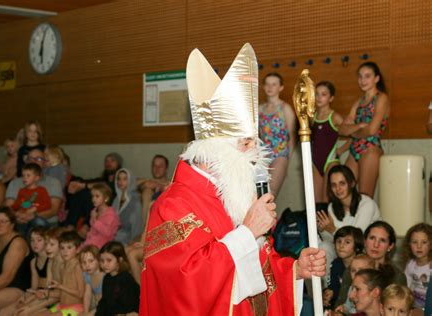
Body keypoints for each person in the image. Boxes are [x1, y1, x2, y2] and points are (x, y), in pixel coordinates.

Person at [140, 43, 326, 315]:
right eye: (245, 144)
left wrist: (295, 270)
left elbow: (259, 264)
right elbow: (185, 284)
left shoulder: (235, 196)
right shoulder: (172, 206)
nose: (255, 155)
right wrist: (248, 232)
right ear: (215, 148)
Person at [339, 62, 390, 198]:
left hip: (370, 149)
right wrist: (359, 125)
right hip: (354, 150)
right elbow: (342, 130)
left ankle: (368, 220)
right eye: (360, 77)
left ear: (376, 79)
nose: (363, 80)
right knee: (343, 193)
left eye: (367, 76)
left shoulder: (381, 98)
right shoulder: (359, 102)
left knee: (365, 197)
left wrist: (354, 132)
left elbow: (372, 130)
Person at [335, 221, 407, 310]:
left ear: (390, 246)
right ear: (365, 241)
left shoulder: (397, 276)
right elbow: (340, 304)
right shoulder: (353, 269)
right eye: (372, 238)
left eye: (382, 240)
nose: (376, 245)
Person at [317, 165, 382, 243]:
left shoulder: (367, 204)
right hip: (342, 251)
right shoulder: (331, 207)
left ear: (352, 183)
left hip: (364, 251)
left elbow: (356, 240)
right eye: (334, 185)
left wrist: (332, 229)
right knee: (324, 247)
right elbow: (332, 242)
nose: (338, 189)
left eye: (342, 183)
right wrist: (323, 230)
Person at [259, 72, 297, 196]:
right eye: (267, 84)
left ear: (280, 87)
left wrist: (288, 161)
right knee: (259, 192)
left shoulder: (285, 108)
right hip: (264, 154)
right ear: (264, 87)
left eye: (274, 84)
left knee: (270, 194)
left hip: (280, 153)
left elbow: (291, 136)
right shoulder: (260, 109)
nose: (270, 87)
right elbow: (258, 136)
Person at [311, 81, 348, 204]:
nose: (319, 97)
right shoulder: (312, 117)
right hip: (316, 163)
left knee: (327, 199)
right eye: (317, 94)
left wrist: (341, 150)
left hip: (330, 161)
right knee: (316, 202)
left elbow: (351, 134)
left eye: (323, 94)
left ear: (331, 98)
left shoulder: (334, 117)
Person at [6, 149, 63, 226]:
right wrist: (18, 215)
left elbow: (53, 209)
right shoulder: (15, 183)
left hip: (46, 223)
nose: (34, 161)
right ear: (26, 161)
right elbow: (9, 207)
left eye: (39, 159)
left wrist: (33, 216)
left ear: (45, 162)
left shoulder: (54, 182)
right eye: (30, 158)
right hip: (19, 220)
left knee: (38, 222)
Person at [0, 226, 49, 316]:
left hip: (47, 298)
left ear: (47, 241)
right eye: (32, 240)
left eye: (39, 240)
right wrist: (24, 297)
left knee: (20, 312)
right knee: (4, 312)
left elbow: (49, 289)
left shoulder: (51, 260)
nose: (35, 243)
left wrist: (30, 301)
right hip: (37, 295)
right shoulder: (33, 262)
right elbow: (34, 288)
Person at [65, 152, 123, 228]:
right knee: (81, 192)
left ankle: (83, 226)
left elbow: (106, 185)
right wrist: (75, 183)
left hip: (108, 205)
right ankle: (70, 225)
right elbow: (88, 182)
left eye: (112, 161)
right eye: (107, 161)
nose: (108, 163)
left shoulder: (120, 181)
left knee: (86, 193)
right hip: (93, 205)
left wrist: (83, 185)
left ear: (118, 164)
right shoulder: (101, 179)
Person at [43, 231, 85, 315]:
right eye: (62, 248)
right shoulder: (63, 266)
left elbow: (80, 294)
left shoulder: (77, 267)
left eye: (69, 247)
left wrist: (60, 286)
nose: (65, 251)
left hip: (75, 307)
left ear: (78, 249)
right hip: (62, 305)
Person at [323, 226, 364, 309]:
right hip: (339, 307)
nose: (341, 245)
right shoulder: (335, 264)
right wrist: (329, 294)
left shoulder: (363, 264)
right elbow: (332, 287)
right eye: (338, 241)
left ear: (357, 246)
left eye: (347, 242)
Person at [96, 241, 139, 316]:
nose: (104, 264)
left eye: (109, 260)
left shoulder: (126, 279)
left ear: (120, 260)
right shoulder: (107, 278)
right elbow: (104, 301)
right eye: (102, 261)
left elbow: (129, 306)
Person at [12, 163, 52, 235]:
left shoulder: (41, 190)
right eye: (23, 175)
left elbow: (48, 204)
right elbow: (15, 205)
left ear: (36, 178)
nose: (24, 178)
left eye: (28, 175)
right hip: (23, 218)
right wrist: (18, 212)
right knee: (18, 226)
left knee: (40, 222)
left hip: (35, 216)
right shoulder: (21, 191)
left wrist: (35, 208)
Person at [403, 223, 432, 309]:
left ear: (431, 245)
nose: (419, 246)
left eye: (424, 242)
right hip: (414, 306)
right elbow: (407, 288)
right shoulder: (410, 265)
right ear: (409, 244)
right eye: (414, 242)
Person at [82, 183, 120, 249]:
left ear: (106, 198)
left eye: (97, 196)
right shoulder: (95, 211)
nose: (93, 199)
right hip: (92, 240)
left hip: (103, 244)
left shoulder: (111, 214)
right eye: (92, 196)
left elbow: (107, 232)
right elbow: (93, 228)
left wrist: (95, 220)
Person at [113, 169, 142, 245]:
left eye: (125, 179)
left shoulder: (135, 200)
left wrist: (133, 242)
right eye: (119, 179)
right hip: (113, 236)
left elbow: (137, 225)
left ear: (130, 180)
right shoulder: (116, 199)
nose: (121, 181)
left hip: (127, 238)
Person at [138, 154, 170, 223]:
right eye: (154, 166)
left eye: (160, 166)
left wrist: (159, 186)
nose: (157, 168)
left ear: (166, 168)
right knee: (147, 192)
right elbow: (130, 183)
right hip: (144, 224)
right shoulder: (147, 182)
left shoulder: (171, 184)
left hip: (164, 222)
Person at [80, 245, 104, 316]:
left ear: (99, 260)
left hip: (107, 308)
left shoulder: (104, 277)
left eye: (91, 261)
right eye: (84, 262)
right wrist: (85, 312)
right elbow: (87, 295)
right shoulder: (87, 275)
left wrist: (90, 313)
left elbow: (106, 302)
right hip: (98, 308)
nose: (87, 265)